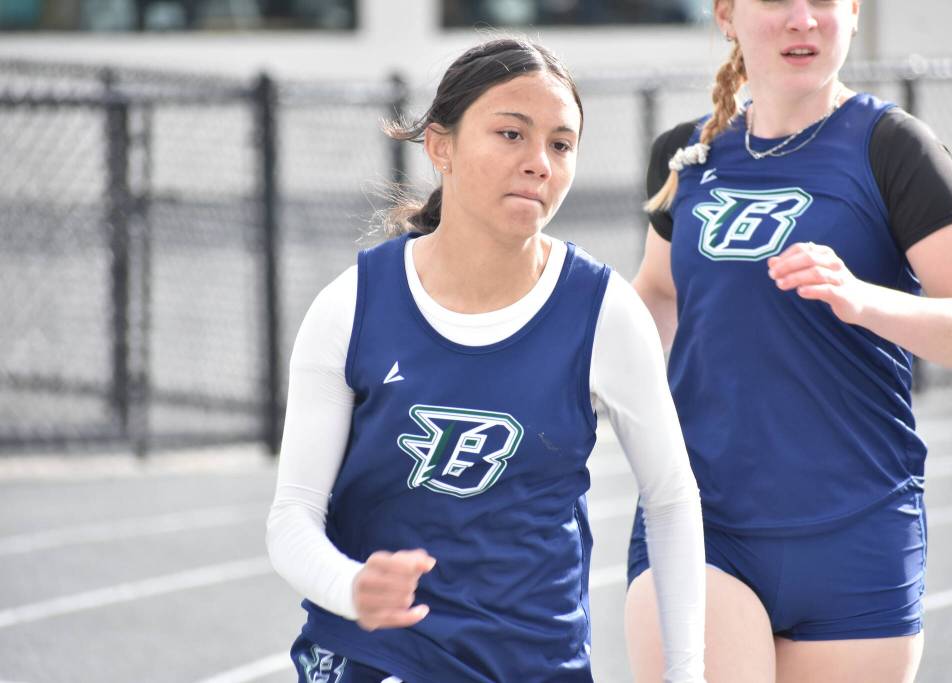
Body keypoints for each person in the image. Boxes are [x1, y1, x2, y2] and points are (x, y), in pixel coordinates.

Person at [266, 38, 706, 683]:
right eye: (510, 134)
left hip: (532, 665)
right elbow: (292, 518)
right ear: (440, 147)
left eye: (560, 144)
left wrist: (687, 672)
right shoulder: (351, 306)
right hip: (376, 657)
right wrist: (354, 586)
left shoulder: (602, 311)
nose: (538, 163)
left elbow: (670, 499)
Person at [624, 1, 952, 682]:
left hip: (856, 533)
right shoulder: (683, 155)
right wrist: (576, 375)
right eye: (778, 0)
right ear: (726, 15)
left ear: (855, 14)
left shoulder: (894, 148)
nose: (802, 20)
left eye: (823, 1)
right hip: (702, 518)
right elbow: (658, 293)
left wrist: (862, 299)